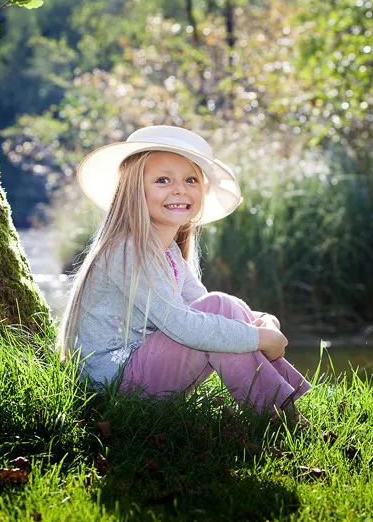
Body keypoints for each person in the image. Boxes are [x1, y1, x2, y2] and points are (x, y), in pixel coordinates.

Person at [55, 125, 310, 420]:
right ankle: (275, 413)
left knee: (223, 306)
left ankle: (279, 409)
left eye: (190, 179)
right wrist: (258, 338)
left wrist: (259, 322)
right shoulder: (127, 250)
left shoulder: (168, 251)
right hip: (113, 383)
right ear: (134, 190)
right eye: (162, 180)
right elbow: (185, 326)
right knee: (221, 308)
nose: (179, 189)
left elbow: (203, 306)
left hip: (142, 369)